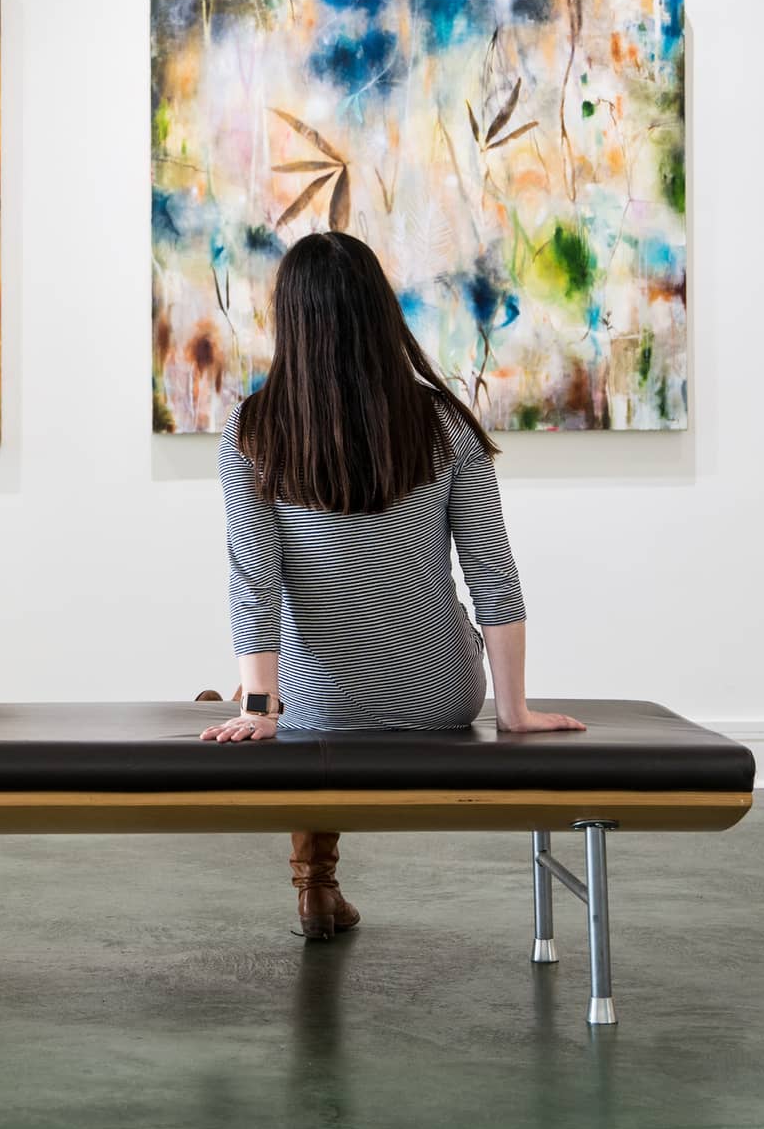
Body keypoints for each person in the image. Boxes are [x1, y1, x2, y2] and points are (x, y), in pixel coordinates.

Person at [198, 230, 584, 940]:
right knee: (418, 621)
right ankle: (317, 879)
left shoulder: (252, 430)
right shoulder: (445, 423)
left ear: (292, 320)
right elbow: (492, 575)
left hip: (317, 705)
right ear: (382, 313)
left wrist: (261, 708)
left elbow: (256, 580)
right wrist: (515, 711)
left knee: (267, 685)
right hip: (440, 696)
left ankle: (316, 882)